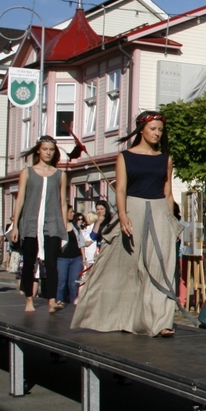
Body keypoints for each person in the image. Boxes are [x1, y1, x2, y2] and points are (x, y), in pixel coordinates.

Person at [73, 111, 179, 337]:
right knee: (129, 268)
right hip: (133, 210)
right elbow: (120, 189)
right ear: (141, 129)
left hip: (160, 211)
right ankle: (124, 317)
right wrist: (122, 215)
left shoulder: (165, 159)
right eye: (153, 129)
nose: (157, 133)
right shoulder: (125, 157)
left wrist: (171, 222)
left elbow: (168, 193)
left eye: (160, 130)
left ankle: (161, 322)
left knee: (161, 265)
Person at [9, 136, 70, 314]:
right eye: (45, 149)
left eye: (51, 149)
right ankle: (29, 299)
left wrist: (65, 224)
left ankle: (52, 299)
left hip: (52, 223)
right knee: (29, 262)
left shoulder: (60, 174)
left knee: (51, 262)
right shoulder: (27, 172)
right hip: (30, 223)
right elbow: (20, 199)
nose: (48, 152)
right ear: (39, 150)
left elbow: (63, 201)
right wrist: (15, 225)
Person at [55, 214, 84, 306]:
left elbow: (81, 242)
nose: (72, 214)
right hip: (62, 258)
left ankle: (73, 305)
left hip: (76, 258)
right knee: (61, 284)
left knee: (74, 285)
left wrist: (83, 257)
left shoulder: (75, 226)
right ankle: (59, 303)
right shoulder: (58, 227)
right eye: (70, 212)